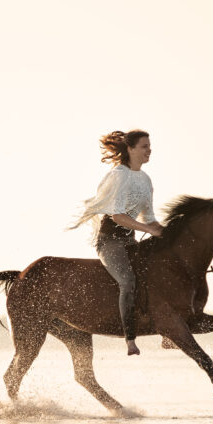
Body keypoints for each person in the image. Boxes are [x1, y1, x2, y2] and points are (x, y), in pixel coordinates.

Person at [71, 129, 164, 356]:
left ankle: (167, 333)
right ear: (130, 149)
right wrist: (148, 230)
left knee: (160, 272)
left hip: (130, 241)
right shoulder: (120, 175)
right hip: (110, 242)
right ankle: (130, 339)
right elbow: (118, 216)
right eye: (144, 146)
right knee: (128, 280)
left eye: (149, 146)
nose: (149, 150)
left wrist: (169, 233)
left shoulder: (145, 179)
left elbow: (149, 218)